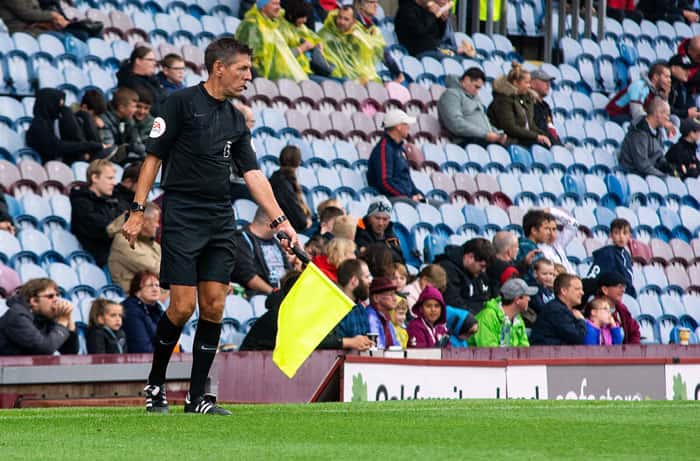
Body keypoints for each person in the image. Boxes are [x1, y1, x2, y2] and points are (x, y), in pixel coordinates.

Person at [121, 38, 299, 416]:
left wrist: (281, 220)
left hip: (220, 216)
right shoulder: (180, 103)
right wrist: (137, 210)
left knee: (215, 306)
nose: (249, 77)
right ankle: (155, 385)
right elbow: (152, 160)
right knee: (183, 307)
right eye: (243, 69)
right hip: (183, 212)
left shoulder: (235, 118)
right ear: (219, 67)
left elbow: (252, 173)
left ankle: (197, 396)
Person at [26, 88, 106, 164]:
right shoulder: (38, 126)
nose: (60, 109)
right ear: (48, 104)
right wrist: (89, 146)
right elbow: (57, 146)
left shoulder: (52, 122)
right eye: (58, 105)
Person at [0, 278, 78, 355]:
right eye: (50, 296)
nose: (57, 300)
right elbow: (44, 349)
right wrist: (62, 322)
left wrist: (68, 317)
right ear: (34, 301)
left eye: (57, 295)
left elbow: (70, 351)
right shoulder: (17, 315)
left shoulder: (45, 316)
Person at [236, 0, 309, 81]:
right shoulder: (251, 25)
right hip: (266, 81)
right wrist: (263, 82)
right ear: (263, 6)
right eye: (274, 4)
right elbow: (248, 59)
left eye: (279, 4)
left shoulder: (272, 25)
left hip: (284, 78)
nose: (279, 7)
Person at [70, 159, 124, 266]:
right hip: (102, 259)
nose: (113, 183)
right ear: (94, 178)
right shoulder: (81, 203)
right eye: (109, 178)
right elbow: (102, 228)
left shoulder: (114, 200)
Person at [438, 67, 507, 147]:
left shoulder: (474, 97)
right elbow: (456, 124)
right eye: (476, 87)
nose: (477, 91)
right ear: (466, 80)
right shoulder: (451, 95)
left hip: (482, 140)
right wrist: (485, 134)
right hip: (467, 141)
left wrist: (498, 133)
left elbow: (485, 123)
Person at [232, 208, 295, 295]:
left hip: (283, 294)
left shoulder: (274, 240)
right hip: (260, 296)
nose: (282, 227)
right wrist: (274, 293)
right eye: (280, 222)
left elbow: (288, 269)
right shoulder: (241, 239)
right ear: (272, 222)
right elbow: (248, 277)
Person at [487, 63, 552, 148]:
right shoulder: (503, 100)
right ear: (515, 83)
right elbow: (510, 128)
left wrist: (544, 135)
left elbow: (530, 125)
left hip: (522, 138)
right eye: (526, 83)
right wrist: (536, 136)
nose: (529, 86)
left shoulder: (525, 99)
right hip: (508, 140)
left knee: (548, 144)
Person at [366, 110, 423, 201]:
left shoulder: (399, 148)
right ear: (398, 127)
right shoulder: (384, 149)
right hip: (391, 199)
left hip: (406, 197)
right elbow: (385, 182)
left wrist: (418, 194)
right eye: (406, 124)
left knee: (437, 205)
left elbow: (406, 179)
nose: (409, 127)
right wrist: (409, 197)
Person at [108, 203, 161, 293]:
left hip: (156, 294)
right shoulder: (124, 241)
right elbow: (156, 269)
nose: (157, 225)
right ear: (144, 222)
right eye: (156, 221)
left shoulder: (152, 244)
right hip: (134, 298)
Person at [435, 237, 496, 314]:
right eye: (482, 266)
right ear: (470, 257)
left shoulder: (477, 273)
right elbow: (453, 303)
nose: (483, 270)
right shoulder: (447, 269)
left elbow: (485, 298)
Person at [469, 278, 535, 347]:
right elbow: (489, 352)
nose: (529, 299)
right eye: (527, 296)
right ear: (517, 299)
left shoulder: (517, 318)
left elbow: (524, 349)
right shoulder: (487, 317)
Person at [395, 0, 471, 58]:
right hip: (416, 52)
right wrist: (433, 15)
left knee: (462, 58)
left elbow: (438, 35)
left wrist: (442, 21)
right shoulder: (406, 10)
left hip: (432, 50)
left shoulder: (425, 10)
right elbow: (421, 32)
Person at [618, 97, 673, 177]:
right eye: (667, 115)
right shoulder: (638, 133)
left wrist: (670, 168)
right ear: (658, 113)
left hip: (648, 174)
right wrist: (663, 176)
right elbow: (642, 166)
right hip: (633, 176)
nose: (668, 119)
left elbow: (659, 157)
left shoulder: (658, 131)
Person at [605, 63, 671, 125]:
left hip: (631, 116)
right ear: (656, 77)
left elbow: (663, 113)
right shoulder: (639, 86)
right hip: (615, 115)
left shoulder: (657, 92)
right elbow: (637, 113)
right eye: (666, 77)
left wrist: (665, 97)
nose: (669, 80)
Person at [530, 274, 586, 346]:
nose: (582, 293)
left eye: (582, 289)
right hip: (545, 355)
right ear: (563, 291)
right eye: (577, 289)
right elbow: (577, 338)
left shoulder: (561, 308)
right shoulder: (556, 310)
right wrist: (581, 320)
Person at [587, 218, 636, 297]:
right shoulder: (607, 254)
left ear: (629, 236)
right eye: (617, 233)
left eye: (625, 233)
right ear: (611, 235)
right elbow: (592, 277)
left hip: (626, 296)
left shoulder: (627, 255)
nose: (621, 237)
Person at [268, 145, 312, 233]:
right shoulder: (282, 183)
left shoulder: (276, 178)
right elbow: (299, 220)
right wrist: (306, 222)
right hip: (291, 228)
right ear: (298, 163)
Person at [99, 87, 146, 164]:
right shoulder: (104, 121)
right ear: (121, 108)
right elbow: (110, 151)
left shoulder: (129, 120)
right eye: (133, 107)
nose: (135, 110)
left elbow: (137, 144)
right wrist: (129, 148)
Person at [116, 46, 167, 116]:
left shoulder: (153, 79)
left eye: (154, 60)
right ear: (138, 61)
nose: (154, 63)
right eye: (150, 60)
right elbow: (152, 108)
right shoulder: (129, 82)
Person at [121, 271, 164, 353]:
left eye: (157, 285)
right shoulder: (130, 310)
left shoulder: (158, 309)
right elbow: (141, 348)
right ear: (138, 290)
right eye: (150, 285)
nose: (155, 289)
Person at [594, 271, 641, 344]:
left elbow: (634, 331)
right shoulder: (594, 310)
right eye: (619, 286)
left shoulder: (622, 309)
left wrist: (631, 350)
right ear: (605, 290)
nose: (623, 290)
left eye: (624, 287)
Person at [355, 196, 405, 263]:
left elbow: (400, 259)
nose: (380, 223)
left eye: (385, 219)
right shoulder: (360, 232)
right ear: (369, 217)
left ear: (389, 219)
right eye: (377, 218)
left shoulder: (391, 234)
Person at [336, 259, 372, 339]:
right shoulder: (336, 308)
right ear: (354, 281)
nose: (370, 281)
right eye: (366, 277)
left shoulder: (360, 308)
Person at [537, 207, 580, 276]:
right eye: (547, 229)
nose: (552, 233)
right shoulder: (540, 250)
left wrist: (552, 211)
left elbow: (574, 224)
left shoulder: (558, 243)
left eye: (554, 229)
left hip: (574, 280)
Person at [515, 209, 554, 277]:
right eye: (546, 228)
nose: (549, 233)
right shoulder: (528, 248)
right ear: (534, 231)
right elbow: (538, 277)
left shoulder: (525, 244)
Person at [366, 276, 400, 348]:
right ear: (376, 298)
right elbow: (378, 348)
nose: (395, 298)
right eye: (391, 294)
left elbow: (396, 345)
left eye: (394, 294)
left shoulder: (386, 318)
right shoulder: (370, 317)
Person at [530, 69, 561, 145]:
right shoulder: (528, 103)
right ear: (532, 83)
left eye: (549, 82)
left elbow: (550, 128)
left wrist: (558, 144)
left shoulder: (545, 106)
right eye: (544, 81)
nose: (548, 85)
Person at [0, 0, 69, 34]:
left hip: (34, 26)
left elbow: (36, 10)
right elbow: (26, 14)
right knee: (58, 39)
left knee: (68, 35)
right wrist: (53, 15)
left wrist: (54, 19)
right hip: (21, 30)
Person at [668, 54, 699, 120]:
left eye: (689, 69)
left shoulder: (681, 86)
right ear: (673, 68)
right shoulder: (663, 84)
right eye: (685, 69)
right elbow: (664, 109)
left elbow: (691, 107)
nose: (689, 73)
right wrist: (686, 113)